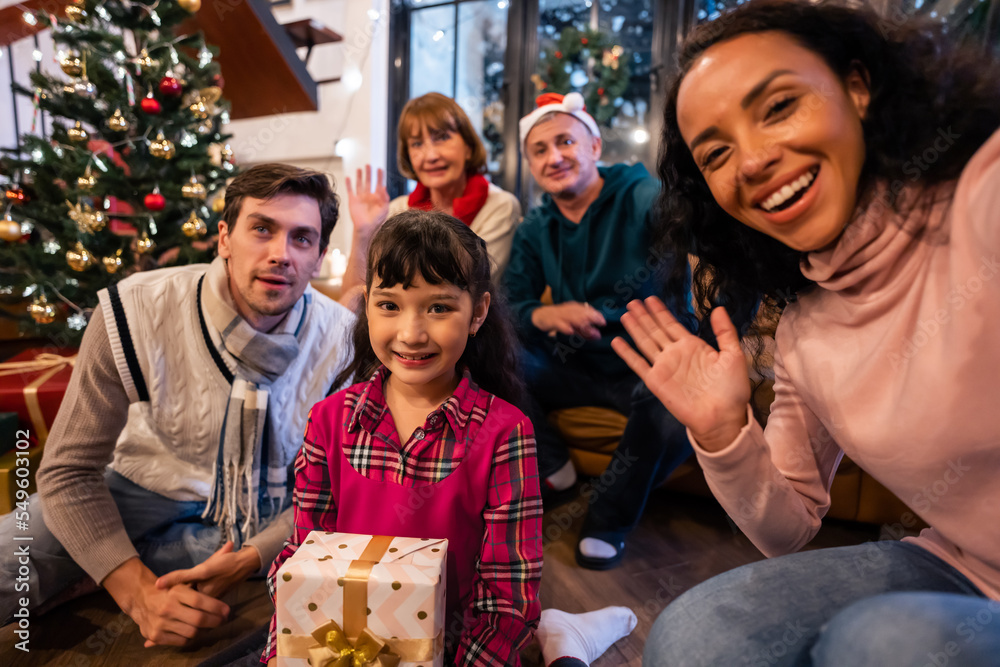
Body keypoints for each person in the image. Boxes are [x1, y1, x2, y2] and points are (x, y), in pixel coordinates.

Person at [611, 1, 1000, 664]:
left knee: (880, 645)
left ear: (859, 86)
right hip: (970, 566)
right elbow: (786, 527)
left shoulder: (978, 195)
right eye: (717, 153)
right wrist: (722, 431)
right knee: (691, 638)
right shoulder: (803, 330)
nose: (754, 161)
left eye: (779, 106)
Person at [0, 163, 378, 648]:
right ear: (224, 238)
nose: (280, 254)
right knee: (11, 560)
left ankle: (103, 571)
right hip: (141, 488)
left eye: (302, 239)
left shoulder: (342, 340)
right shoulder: (133, 310)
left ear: (319, 255)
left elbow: (333, 488)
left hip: (272, 512)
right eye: (261, 229)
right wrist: (137, 593)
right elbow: (68, 473)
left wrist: (253, 557)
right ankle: (117, 567)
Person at [262, 210, 637, 666]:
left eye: (438, 307)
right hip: (347, 645)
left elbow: (507, 591)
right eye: (389, 305)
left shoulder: (505, 433)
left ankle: (566, 640)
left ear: (477, 312)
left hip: (461, 649)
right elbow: (302, 562)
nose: (411, 333)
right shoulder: (328, 421)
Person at [503, 91, 693, 570]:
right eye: (539, 151)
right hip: (573, 364)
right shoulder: (535, 228)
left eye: (565, 141)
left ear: (594, 146)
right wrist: (542, 315)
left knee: (678, 409)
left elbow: (679, 216)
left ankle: (607, 518)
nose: (554, 157)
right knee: (492, 356)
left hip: (644, 365)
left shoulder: (638, 194)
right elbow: (508, 304)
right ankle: (555, 469)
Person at [343, 92, 521, 294]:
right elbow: (353, 299)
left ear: (469, 147)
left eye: (442, 137)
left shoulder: (500, 206)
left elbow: (465, 290)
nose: (431, 155)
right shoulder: (396, 210)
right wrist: (363, 232)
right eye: (417, 143)